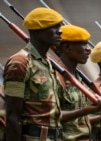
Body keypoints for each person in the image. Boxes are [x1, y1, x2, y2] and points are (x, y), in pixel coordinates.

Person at [3, 7, 64, 141]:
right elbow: (12, 116)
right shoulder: (19, 63)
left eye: (59, 27)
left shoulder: (47, 62)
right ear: (37, 31)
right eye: (53, 27)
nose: (60, 31)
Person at [56, 24, 101, 141]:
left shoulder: (80, 78)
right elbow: (48, 116)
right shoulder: (56, 75)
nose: (89, 49)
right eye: (83, 44)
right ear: (67, 47)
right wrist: (85, 110)